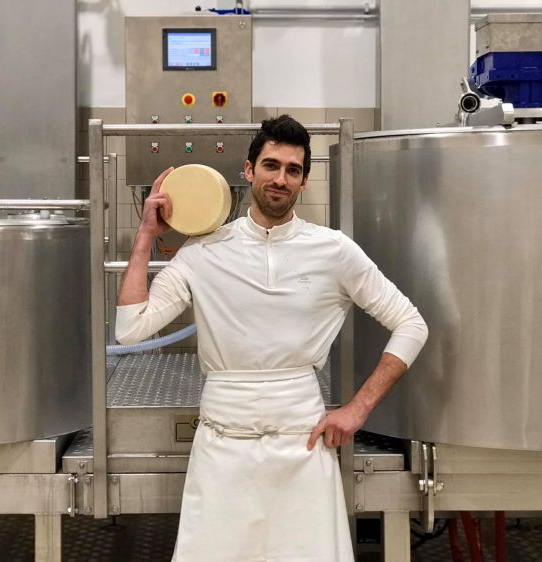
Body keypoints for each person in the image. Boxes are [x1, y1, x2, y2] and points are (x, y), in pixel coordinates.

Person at [115, 115, 428, 562]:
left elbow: (411, 324)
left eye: (293, 170)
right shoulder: (203, 252)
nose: (280, 178)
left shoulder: (333, 250)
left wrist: (359, 409)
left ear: (303, 182)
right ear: (248, 170)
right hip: (223, 445)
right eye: (271, 165)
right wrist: (146, 235)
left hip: (301, 443)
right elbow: (130, 329)